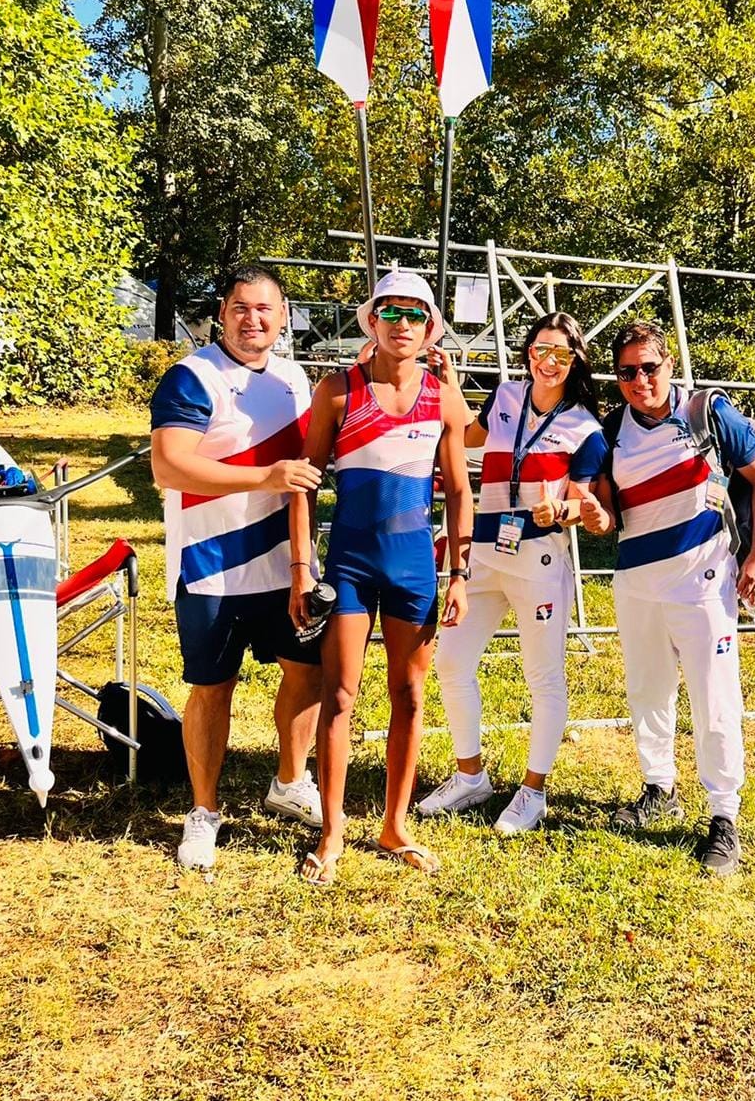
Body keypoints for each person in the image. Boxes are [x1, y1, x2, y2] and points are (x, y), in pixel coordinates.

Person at [290, 269, 472, 885]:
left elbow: (459, 493)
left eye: (414, 315)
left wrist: (458, 574)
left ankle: (394, 825)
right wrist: (300, 568)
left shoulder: (443, 397)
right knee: (338, 696)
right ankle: (333, 828)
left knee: (411, 697)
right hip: (349, 565)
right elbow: (305, 484)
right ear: (371, 321)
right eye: (389, 312)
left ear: (430, 329)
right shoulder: (338, 391)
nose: (401, 324)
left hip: (415, 567)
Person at [582, 320, 755, 876]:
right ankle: (658, 789)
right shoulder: (610, 430)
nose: (640, 379)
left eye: (649, 367)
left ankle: (724, 817)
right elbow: (607, 516)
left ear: (668, 364)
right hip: (637, 583)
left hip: (705, 584)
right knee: (648, 692)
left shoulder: (707, 413)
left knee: (714, 698)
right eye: (627, 371)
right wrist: (594, 515)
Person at [150, 264, 325, 872]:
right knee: (211, 688)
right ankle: (203, 812)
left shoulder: (294, 377)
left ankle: (289, 780)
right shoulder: (192, 377)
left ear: (283, 316)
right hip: (211, 565)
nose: (254, 320)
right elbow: (169, 468)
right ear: (222, 313)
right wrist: (264, 476)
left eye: (265, 309)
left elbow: (307, 470)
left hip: (285, 563)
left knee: (308, 673)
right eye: (241, 308)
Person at [418, 313, 608, 833]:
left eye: (562, 355)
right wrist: (450, 385)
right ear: (527, 352)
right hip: (483, 555)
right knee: (452, 662)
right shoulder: (505, 396)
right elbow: (466, 436)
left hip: (539, 564)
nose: (548, 362)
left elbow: (586, 507)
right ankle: (470, 776)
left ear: (576, 363)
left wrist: (564, 512)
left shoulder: (585, 429)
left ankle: (532, 791)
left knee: (543, 678)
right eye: (540, 350)